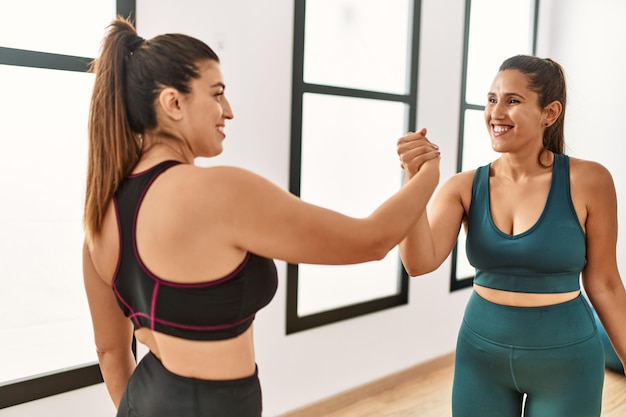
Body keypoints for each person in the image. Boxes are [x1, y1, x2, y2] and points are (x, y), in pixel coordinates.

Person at [82, 16, 440, 417]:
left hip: (142, 399)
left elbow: (111, 351)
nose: (228, 111)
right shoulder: (219, 192)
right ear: (173, 103)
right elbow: (371, 240)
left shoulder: (100, 215)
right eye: (217, 94)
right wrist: (426, 176)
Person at [397, 55, 626, 416]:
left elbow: (605, 283)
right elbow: (418, 262)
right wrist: (412, 181)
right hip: (480, 357)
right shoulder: (464, 186)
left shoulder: (590, 181)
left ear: (549, 113)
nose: (495, 112)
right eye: (491, 99)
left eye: (512, 100)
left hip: (566, 361)